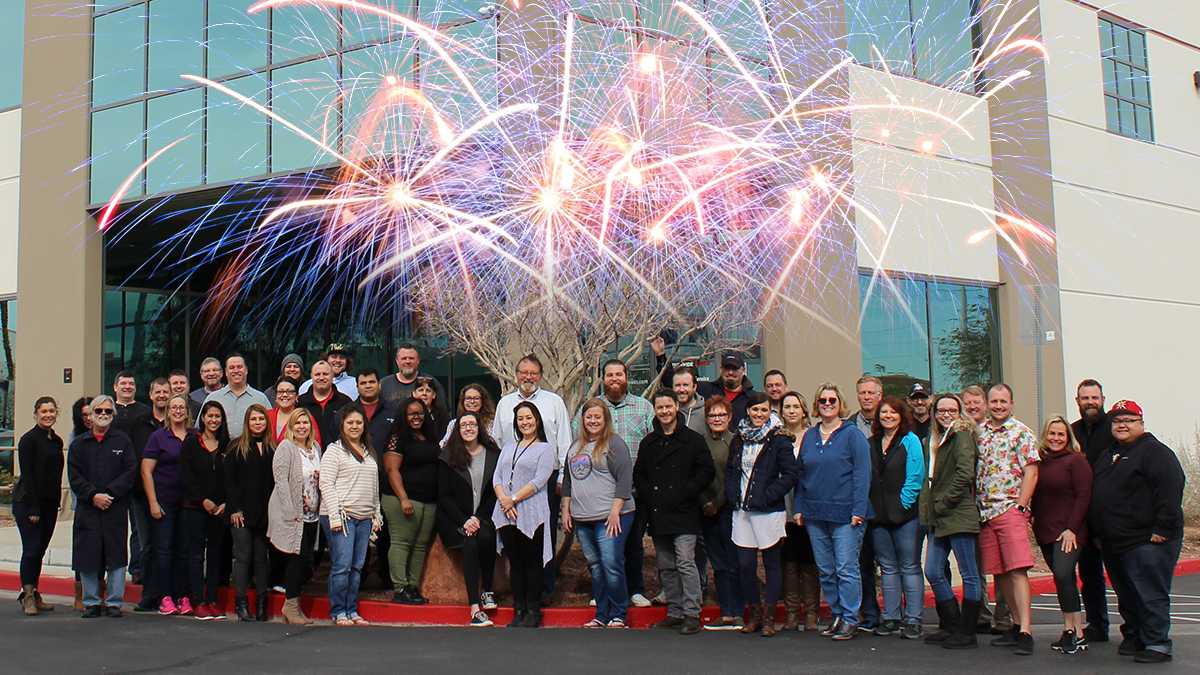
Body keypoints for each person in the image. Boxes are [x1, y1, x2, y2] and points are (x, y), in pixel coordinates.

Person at [1089, 400, 1185, 664]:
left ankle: (1157, 644)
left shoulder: (1155, 452)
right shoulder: (1109, 454)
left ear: (1141, 423)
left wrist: (1162, 529)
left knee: (1150, 593)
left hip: (1147, 539)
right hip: (1114, 540)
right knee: (1128, 594)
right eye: (1117, 421)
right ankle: (1135, 636)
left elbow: (1170, 489)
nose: (1122, 425)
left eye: (1129, 420)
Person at [491, 354, 572, 603]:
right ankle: (520, 593)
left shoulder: (554, 402)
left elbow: (564, 442)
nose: (528, 377)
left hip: (543, 480)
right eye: (523, 372)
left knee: (541, 537)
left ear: (540, 375)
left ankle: (544, 590)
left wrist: (561, 480)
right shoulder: (505, 404)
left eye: (533, 373)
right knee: (515, 540)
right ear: (516, 375)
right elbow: (497, 441)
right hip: (509, 484)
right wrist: (504, 492)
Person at [634, 391, 715, 636]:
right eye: (660, 407)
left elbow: (706, 471)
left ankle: (692, 613)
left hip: (685, 511)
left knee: (685, 562)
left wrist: (687, 491)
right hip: (659, 512)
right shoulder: (649, 442)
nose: (665, 411)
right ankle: (675, 612)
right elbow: (640, 475)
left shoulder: (693, 439)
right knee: (666, 565)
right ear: (655, 410)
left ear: (676, 406)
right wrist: (651, 496)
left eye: (668, 406)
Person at [793, 383, 870, 641]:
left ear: (840, 404)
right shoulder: (810, 436)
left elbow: (862, 474)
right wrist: (799, 507)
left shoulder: (852, 435)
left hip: (846, 514)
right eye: (823, 400)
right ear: (817, 405)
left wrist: (859, 509)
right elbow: (801, 475)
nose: (827, 404)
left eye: (832, 400)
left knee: (846, 568)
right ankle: (837, 614)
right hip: (815, 513)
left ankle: (850, 618)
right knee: (826, 569)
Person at [584, 359, 654, 608]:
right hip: (598, 493)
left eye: (619, 374)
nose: (614, 379)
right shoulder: (592, 408)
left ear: (626, 377)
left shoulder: (644, 407)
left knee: (632, 544)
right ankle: (601, 591)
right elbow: (578, 443)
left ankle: (635, 589)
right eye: (609, 375)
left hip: (634, 490)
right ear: (603, 378)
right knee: (601, 548)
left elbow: (653, 443)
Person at [727, 392, 798, 637]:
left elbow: (790, 474)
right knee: (745, 565)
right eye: (755, 410)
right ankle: (754, 614)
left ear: (771, 412)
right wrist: (731, 493)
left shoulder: (779, 439)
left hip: (768, 510)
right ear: (748, 411)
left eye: (764, 410)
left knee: (771, 564)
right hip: (742, 510)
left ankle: (769, 618)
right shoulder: (739, 438)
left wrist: (768, 495)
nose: (759, 415)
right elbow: (731, 470)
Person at [976, 383, 1040, 655]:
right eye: (994, 401)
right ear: (988, 404)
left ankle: (1026, 630)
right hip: (986, 514)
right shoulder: (981, 434)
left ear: (1011, 403)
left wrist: (1022, 507)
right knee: (1000, 573)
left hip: (1009, 509)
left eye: (1003, 401)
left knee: (1017, 570)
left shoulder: (1021, 433)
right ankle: (1014, 625)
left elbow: (1032, 472)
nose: (999, 406)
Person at [562, 399, 636, 628]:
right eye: (589, 417)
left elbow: (625, 481)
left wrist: (615, 512)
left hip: (611, 516)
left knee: (610, 563)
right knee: (595, 565)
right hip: (583, 518)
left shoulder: (614, 444)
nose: (593, 421)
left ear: (605, 420)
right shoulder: (575, 446)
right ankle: (602, 614)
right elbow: (567, 481)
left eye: (597, 417)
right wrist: (566, 510)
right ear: (582, 420)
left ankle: (619, 613)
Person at [920, 393, 983, 650]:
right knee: (933, 570)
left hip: (958, 512)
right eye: (941, 410)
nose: (946, 414)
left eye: (952, 410)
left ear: (959, 412)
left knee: (969, 574)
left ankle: (967, 632)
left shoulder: (962, 435)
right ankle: (952, 624)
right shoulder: (935, 438)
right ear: (934, 413)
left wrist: (945, 501)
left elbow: (965, 473)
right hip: (938, 514)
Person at [68, 395, 136, 618]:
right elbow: (75, 477)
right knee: (88, 555)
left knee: (116, 555)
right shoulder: (79, 444)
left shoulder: (122, 441)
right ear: (91, 415)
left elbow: (130, 472)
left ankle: (115, 602)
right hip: (88, 509)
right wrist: (93, 495)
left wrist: (110, 494)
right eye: (99, 412)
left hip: (115, 507)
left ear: (113, 415)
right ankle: (91, 602)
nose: (103, 415)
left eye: (108, 412)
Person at [1031, 416, 1093, 654]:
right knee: (1061, 579)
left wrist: (1072, 529)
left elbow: (1084, 496)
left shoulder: (1076, 461)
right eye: (1052, 434)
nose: (1056, 438)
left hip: (1068, 532)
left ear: (1068, 437)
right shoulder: (1040, 461)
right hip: (1045, 530)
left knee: (1064, 574)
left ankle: (1072, 630)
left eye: (1061, 434)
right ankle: (1075, 632)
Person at [493, 401, 556, 628]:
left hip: (532, 512)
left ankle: (533, 609)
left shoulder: (545, 449)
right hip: (506, 513)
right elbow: (497, 477)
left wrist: (514, 498)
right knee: (515, 562)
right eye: (520, 419)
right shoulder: (509, 447)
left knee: (532, 562)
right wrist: (504, 499)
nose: (525, 422)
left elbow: (539, 481)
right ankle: (518, 608)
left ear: (537, 420)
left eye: (528, 417)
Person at [319, 404, 384, 626]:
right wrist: (335, 517)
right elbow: (326, 484)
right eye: (350, 423)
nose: (355, 426)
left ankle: (351, 609)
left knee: (357, 566)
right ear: (342, 425)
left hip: (364, 517)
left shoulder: (369, 451)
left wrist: (376, 514)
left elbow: (373, 486)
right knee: (342, 565)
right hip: (341, 517)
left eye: (358, 422)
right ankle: (338, 611)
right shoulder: (334, 451)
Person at [867, 397, 926, 639]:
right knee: (888, 568)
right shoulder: (871, 443)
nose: (888, 416)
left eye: (892, 412)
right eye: (884, 413)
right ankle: (891, 617)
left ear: (901, 415)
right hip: (877, 516)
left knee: (910, 566)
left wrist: (903, 503)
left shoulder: (910, 441)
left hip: (905, 515)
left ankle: (913, 619)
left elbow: (916, 476)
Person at [437, 412, 501, 626]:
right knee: (470, 542)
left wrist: (478, 518)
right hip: (454, 520)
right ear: (457, 429)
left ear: (479, 428)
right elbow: (444, 496)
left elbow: (494, 492)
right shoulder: (448, 457)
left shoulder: (493, 454)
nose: (468, 428)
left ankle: (488, 591)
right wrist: (464, 521)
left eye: (472, 424)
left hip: (482, 516)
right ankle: (474, 607)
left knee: (486, 535)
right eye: (463, 424)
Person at [381, 398, 441, 605]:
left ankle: (413, 587)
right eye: (411, 414)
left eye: (420, 413)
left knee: (420, 546)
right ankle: (400, 587)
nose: (416, 417)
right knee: (402, 542)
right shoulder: (397, 437)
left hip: (428, 500)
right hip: (403, 499)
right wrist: (403, 498)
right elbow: (392, 469)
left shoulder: (429, 437)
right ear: (403, 416)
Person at [268, 408, 322, 625]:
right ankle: (291, 607)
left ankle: (293, 604)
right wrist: (290, 511)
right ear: (291, 426)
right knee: (295, 561)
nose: (302, 426)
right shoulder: (286, 448)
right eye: (297, 423)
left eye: (305, 423)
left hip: (312, 515)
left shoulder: (315, 447)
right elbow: (280, 481)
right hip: (291, 514)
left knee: (305, 561)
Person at [141, 394, 194, 616]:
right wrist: (153, 502)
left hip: (189, 503)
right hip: (164, 501)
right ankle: (165, 597)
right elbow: (146, 470)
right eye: (174, 407)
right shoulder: (158, 437)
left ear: (187, 411)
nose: (178, 411)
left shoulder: (194, 436)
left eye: (181, 407)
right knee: (163, 551)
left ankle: (183, 597)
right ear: (168, 411)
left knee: (184, 551)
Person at [962, 383, 1008, 634]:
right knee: (974, 565)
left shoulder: (996, 432)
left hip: (996, 507)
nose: (972, 407)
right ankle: (981, 614)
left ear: (986, 405)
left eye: (976, 403)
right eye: (967, 403)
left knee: (1001, 566)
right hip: (969, 510)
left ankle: (1003, 617)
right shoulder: (960, 431)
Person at [179, 400, 230, 621]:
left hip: (220, 510)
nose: (214, 420)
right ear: (203, 418)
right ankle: (198, 600)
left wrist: (226, 503)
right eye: (210, 416)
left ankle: (212, 600)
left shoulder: (227, 445)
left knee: (216, 555)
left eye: (218, 416)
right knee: (196, 555)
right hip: (195, 508)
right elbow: (187, 476)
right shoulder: (191, 442)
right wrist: (203, 500)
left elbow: (232, 479)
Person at [225, 404, 276, 622]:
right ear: (247, 422)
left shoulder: (273, 448)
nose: (257, 423)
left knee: (261, 559)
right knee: (243, 557)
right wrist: (234, 508)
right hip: (242, 513)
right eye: (253, 419)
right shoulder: (237, 447)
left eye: (261, 419)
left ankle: (262, 604)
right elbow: (229, 482)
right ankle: (241, 602)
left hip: (266, 514)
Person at [13, 396, 64, 616]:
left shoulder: (56, 441)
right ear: (36, 413)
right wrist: (33, 508)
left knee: (40, 550)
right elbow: (29, 476)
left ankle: (35, 591)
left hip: (49, 504)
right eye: (44, 411)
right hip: (28, 503)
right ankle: (27, 596)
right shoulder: (28, 440)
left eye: (52, 411)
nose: (48, 415)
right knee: (32, 549)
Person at [1071, 379, 1113, 644]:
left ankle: (1134, 629)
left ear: (1103, 399)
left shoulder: (1114, 428)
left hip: (1110, 516)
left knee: (1123, 576)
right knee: (1089, 576)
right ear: (1077, 402)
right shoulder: (1072, 431)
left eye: (1094, 398)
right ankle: (1097, 625)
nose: (1090, 403)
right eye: (1085, 398)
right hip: (1083, 517)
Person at [697, 396, 743, 630]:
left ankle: (739, 610)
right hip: (707, 510)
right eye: (712, 415)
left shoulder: (736, 441)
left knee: (734, 561)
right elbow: (696, 475)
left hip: (730, 510)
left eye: (721, 415)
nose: (717, 419)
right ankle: (726, 612)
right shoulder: (700, 442)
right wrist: (705, 502)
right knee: (718, 564)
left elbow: (735, 476)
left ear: (729, 417)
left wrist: (719, 502)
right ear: (706, 418)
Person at [779, 391, 820, 631]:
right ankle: (793, 613)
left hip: (809, 506)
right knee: (789, 561)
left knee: (810, 561)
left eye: (796, 406)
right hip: (783, 508)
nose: (792, 410)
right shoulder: (777, 437)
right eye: (787, 406)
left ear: (804, 410)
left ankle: (812, 612)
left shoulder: (814, 436)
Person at [846, 375, 882, 632]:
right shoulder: (848, 426)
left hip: (888, 505)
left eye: (871, 393)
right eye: (862, 393)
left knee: (893, 565)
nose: (867, 397)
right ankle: (869, 613)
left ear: (880, 395)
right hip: (860, 506)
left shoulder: (892, 422)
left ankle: (897, 614)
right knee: (863, 563)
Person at [203, 354, 270, 438]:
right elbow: (200, 428)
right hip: (220, 449)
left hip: (252, 449)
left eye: (239, 367)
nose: (236, 370)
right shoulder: (213, 398)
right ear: (226, 372)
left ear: (246, 370)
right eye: (231, 368)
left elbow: (270, 428)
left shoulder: (260, 398)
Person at [298, 360, 352, 450]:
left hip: (338, 455)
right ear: (311, 376)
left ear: (332, 376)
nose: (321, 377)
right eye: (317, 374)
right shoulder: (301, 402)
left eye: (325, 374)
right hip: (307, 454)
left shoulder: (345, 402)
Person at [381, 343, 448, 410]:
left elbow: (442, 412)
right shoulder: (384, 384)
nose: (408, 361)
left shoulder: (431, 383)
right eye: (404, 358)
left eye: (411, 358)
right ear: (397, 361)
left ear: (418, 361)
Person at [268, 377, 322, 447]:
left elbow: (315, 444)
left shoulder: (306, 417)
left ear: (297, 396)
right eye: (280, 392)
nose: (284, 395)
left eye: (289, 392)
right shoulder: (267, 415)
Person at [671, 365, 707, 435]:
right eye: (677, 385)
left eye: (685, 385)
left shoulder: (706, 412)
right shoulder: (667, 411)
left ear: (694, 387)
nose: (681, 389)